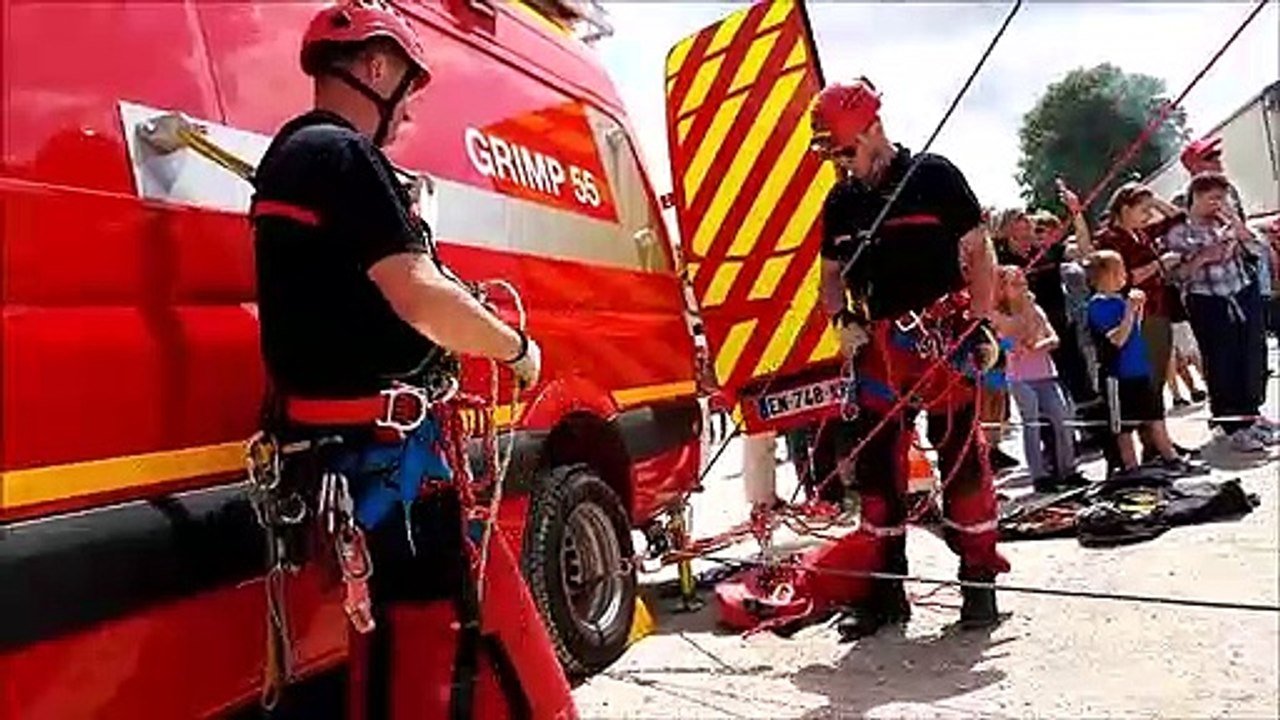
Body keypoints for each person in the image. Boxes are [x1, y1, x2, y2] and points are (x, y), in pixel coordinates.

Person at [249, 2, 573, 717]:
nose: (408, 112)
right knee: (421, 627)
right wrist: (515, 348)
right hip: (385, 461)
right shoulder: (341, 155)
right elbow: (421, 295)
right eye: (409, 89)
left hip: (354, 453)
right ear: (376, 68)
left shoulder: (292, 160)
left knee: (397, 630)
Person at [810, 77, 1009, 638]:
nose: (843, 163)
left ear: (874, 128)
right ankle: (885, 594)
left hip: (944, 338)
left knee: (963, 464)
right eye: (834, 154)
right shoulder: (841, 200)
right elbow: (830, 277)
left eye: (846, 150)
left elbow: (979, 251)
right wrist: (840, 319)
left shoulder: (934, 176)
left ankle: (979, 584)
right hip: (879, 351)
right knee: (878, 476)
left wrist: (981, 322)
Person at [1161, 172, 1276, 452]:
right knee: (1222, 363)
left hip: (1241, 293)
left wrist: (1235, 224)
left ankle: (1250, 417)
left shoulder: (1225, 222)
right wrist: (1202, 258)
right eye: (1213, 198)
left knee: (1249, 358)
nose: (1218, 204)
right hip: (1207, 302)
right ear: (1196, 197)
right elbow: (1173, 277)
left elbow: (1258, 248)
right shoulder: (1179, 232)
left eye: (1222, 198)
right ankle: (1231, 425)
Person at [1084, 251, 1195, 474]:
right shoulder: (1098, 305)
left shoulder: (1119, 299)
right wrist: (1128, 310)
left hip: (1140, 370)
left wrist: (1137, 308)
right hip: (1118, 375)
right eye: (1119, 271)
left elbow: (1135, 327)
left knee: (1155, 415)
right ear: (1104, 276)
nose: (1124, 275)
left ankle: (1170, 456)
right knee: (1124, 426)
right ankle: (1130, 466)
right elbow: (1117, 339)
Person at [991, 266, 1086, 492]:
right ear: (1003, 289)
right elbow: (1002, 341)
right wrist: (1016, 342)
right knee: (1031, 423)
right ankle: (1039, 475)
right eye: (1016, 284)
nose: (1022, 288)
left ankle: (1068, 469)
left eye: (1023, 283)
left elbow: (1052, 337)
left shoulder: (1035, 308)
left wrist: (1039, 342)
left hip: (1045, 373)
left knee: (1062, 418)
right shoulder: (997, 314)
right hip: (1020, 376)